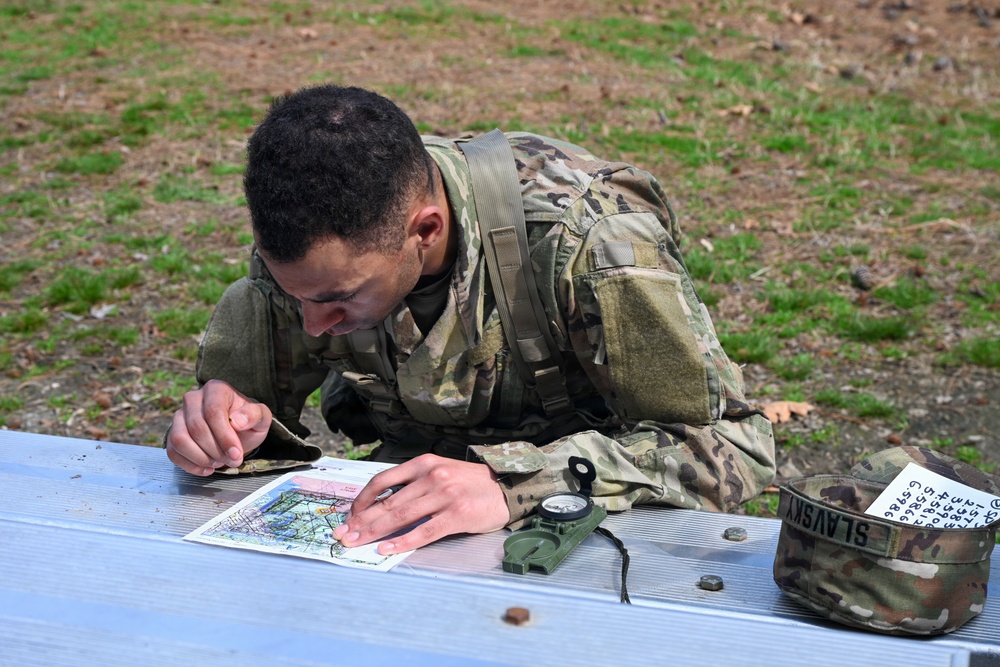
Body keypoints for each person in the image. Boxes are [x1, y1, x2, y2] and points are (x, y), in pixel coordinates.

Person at [165, 85, 775, 556]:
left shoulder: (589, 240)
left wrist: (513, 484)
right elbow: (245, 414)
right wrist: (224, 429)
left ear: (425, 231)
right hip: (410, 520)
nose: (315, 325)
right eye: (292, 293)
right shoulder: (316, 254)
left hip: (590, 519)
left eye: (339, 300)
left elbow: (731, 447)